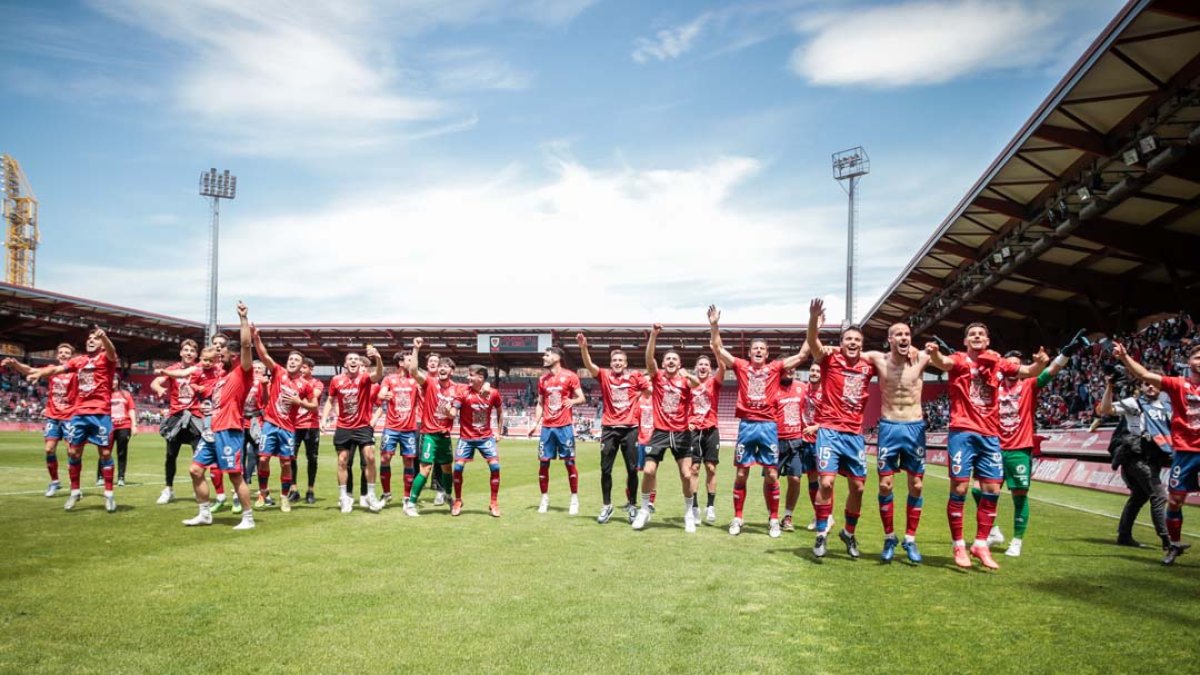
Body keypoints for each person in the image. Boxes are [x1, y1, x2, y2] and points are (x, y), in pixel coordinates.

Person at [925, 323, 1047, 569]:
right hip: (963, 432)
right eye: (972, 334)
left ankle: (980, 544)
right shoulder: (959, 360)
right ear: (966, 341)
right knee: (960, 488)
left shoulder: (999, 363)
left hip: (990, 435)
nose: (977, 336)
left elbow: (1029, 370)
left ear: (988, 340)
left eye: (981, 333)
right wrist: (935, 352)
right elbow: (943, 363)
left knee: (992, 489)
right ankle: (958, 544)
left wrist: (1041, 363)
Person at [707, 305, 810, 538]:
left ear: (767, 352)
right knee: (742, 474)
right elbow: (717, 347)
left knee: (772, 475)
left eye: (762, 348)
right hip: (747, 425)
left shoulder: (775, 368)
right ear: (750, 351)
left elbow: (803, 355)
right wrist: (714, 325)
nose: (759, 351)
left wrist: (813, 326)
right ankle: (738, 518)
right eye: (755, 348)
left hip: (768, 427)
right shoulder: (742, 366)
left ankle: (774, 519)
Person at [1111, 341, 1200, 565]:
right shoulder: (1178, 384)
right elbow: (1144, 374)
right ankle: (1174, 546)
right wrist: (1124, 357)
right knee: (1175, 501)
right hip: (1185, 452)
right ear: (1189, 362)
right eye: (1198, 357)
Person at [805, 299, 877, 558]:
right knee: (826, 482)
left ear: (862, 343)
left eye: (857, 340)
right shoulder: (830, 358)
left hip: (854, 435)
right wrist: (813, 319)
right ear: (842, 341)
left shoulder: (869, 365)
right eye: (848, 339)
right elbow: (813, 344)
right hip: (830, 431)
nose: (853, 343)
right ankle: (822, 533)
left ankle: (848, 532)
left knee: (858, 487)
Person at [992, 338, 1077, 557]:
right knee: (978, 490)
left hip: (1019, 449)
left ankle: (1017, 541)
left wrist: (1065, 353)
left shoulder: (1029, 385)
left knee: (1019, 495)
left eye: (1016, 364)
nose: (1012, 368)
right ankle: (993, 531)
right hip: (994, 447)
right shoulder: (994, 388)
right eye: (1008, 364)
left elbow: (1052, 370)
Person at [178, 302, 256, 529]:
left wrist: (242, 319)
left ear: (235, 355)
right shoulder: (220, 378)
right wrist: (207, 407)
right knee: (195, 470)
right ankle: (204, 513)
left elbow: (245, 344)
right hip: (211, 431)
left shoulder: (243, 373)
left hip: (230, 430)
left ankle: (248, 518)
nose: (220, 353)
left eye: (224, 351)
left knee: (234, 475)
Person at [25, 328, 119, 512]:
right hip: (79, 413)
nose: (91, 341)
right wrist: (40, 374)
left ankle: (109, 494)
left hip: (100, 413)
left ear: (100, 344)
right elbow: (58, 368)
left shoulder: (106, 359)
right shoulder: (79, 360)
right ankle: (74, 491)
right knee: (73, 453)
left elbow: (112, 351)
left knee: (105, 454)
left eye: (95, 339)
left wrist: (104, 337)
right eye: (89, 339)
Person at [860, 323, 930, 564]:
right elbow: (849, 352)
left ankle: (910, 539)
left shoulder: (921, 357)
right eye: (898, 334)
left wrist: (931, 348)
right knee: (885, 485)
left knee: (917, 486)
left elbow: (947, 361)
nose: (904, 338)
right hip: (889, 427)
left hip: (914, 427)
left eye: (907, 334)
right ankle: (889, 537)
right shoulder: (878, 359)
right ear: (889, 338)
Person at [631, 324, 700, 532]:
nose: (670, 361)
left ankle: (689, 513)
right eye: (667, 359)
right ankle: (644, 510)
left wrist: (689, 376)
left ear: (679, 364)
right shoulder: (657, 377)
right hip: (660, 432)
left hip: (681, 434)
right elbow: (648, 359)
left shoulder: (686, 381)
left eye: (674, 359)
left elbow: (697, 385)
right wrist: (653, 335)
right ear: (663, 363)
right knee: (649, 470)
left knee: (687, 475)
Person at [1097, 369, 1171, 550]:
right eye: (1147, 383)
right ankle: (1168, 541)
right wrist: (1110, 387)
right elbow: (1106, 409)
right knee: (1159, 495)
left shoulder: (1168, 405)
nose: (1151, 387)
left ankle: (1124, 535)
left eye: (1155, 383)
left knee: (1140, 496)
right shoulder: (1133, 403)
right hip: (1136, 456)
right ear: (1141, 386)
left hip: (1154, 457)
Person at [576, 332, 647, 524]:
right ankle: (607, 506)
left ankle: (632, 506)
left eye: (620, 360)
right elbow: (590, 366)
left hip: (630, 428)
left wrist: (641, 399)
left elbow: (650, 389)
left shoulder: (635, 377)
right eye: (614, 360)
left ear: (625, 363)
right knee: (605, 470)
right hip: (609, 429)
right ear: (611, 362)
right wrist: (584, 348)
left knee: (632, 470)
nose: (617, 363)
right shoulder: (605, 375)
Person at [251, 330, 318, 514]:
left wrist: (300, 403)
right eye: (290, 359)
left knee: (286, 464)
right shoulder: (278, 372)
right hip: (270, 423)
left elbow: (314, 406)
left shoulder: (305, 385)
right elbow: (264, 355)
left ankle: (284, 497)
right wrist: (256, 338)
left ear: (302, 365)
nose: (292, 361)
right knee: (263, 458)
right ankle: (263, 493)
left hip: (288, 428)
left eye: (296, 360)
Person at [2, 343, 76, 497]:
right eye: (61, 352)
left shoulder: (76, 371)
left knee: (72, 452)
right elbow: (31, 370)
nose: (63, 354)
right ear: (57, 356)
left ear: (71, 356)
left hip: (71, 417)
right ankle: (55, 482)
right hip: (53, 416)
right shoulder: (51, 370)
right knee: (49, 449)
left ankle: (74, 484)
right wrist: (15, 365)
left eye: (66, 353)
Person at [322, 348, 386, 514]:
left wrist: (378, 358)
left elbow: (378, 375)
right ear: (345, 363)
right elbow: (330, 400)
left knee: (370, 457)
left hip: (363, 426)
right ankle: (344, 497)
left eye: (356, 359)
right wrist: (324, 418)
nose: (353, 361)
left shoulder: (364, 378)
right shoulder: (336, 380)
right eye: (349, 359)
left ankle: (370, 495)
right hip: (343, 426)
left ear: (359, 364)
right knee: (342, 461)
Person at [402, 339, 460, 516]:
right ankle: (411, 503)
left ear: (451, 371)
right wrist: (415, 349)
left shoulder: (457, 388)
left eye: (446, 366)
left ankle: (448, 496)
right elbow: (413, 371)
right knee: (425, 469)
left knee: (447, 469)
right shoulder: (429, 383)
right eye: (440, 366)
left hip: (444, 436)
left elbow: (472, 391)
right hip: (429, 434)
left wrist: (454, 410)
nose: (442, 368)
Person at [527, 346, 585, 515]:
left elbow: (581, 397)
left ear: (557, 357)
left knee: (569, 463)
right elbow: (539, 403)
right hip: (547, 428)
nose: (544, 357)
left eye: (547, 355)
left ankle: (574, 498)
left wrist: (573, 402)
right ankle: (544, 498)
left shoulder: (570, 376)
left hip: (564, 427)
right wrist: (535, 423)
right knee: (543, 463)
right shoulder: (542, 380)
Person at [149, 339, 206, 505]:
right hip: (176, 417)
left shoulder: (200, 370)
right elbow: (155, 382)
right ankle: (168, 489)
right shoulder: (172, 369)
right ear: (181, 352)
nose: (189, 353)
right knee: (171, 455)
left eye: (192, 351)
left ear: (196, 354)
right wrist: (159, 389)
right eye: (186, 350)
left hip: (195, 418)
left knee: (199, 457)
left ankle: (199, 490)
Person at [450, 364, 504, 517]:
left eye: (471, 375)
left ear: (480, 377)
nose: (468, 377)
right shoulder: (463, 392)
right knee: (458, 468)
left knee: (495, 467)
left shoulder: (493, 393)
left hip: (485, 437)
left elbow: (500, 412)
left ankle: (493, 502)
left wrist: (499, 432)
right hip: (466, 438)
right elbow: (455, 408)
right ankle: (458, 500)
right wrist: (451, 411)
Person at [377, 351, 422, 503]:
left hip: (409, 429)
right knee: (385, 458)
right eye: (410, 360)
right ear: (401, 363)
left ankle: (406, 496)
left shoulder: (415, 380)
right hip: (391, 427)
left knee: (408, 462)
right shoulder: (389, 379)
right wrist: (384, 395)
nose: (413, 362)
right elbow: (381, 394)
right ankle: (386, 493)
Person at [689, 353, 726, 525]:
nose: (703, 367)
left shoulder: (714, 383)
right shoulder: (688, 384)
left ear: (710, 369)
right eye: (700, 364)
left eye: (706, 365)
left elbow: (723, 368)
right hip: (693, 430)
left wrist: (717, 351)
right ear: (696, 368)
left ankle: (710, 506)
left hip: (711, 430)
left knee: (711, 468)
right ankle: (694, 507)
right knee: (694, 468)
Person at [293, 358, 323, 504]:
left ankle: (310, 490)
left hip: (311, 425)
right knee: (290, 457)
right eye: (300, 367)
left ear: (311, 369)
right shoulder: (291, 382)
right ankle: (293, 489)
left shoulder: (317, 383)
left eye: (304, 367)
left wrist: (297, 398)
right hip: (293, 425)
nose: (301, 370)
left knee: (312, 458)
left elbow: (314, 397)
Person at [104, 375, 135, 487]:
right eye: (111, 379)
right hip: (108, 426)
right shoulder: (105, 394)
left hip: (124, 426)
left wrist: (134, 425)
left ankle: (121, 477)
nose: (113, 381)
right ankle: (100, 477)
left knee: (122, 452)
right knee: (105, 452)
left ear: (118, 381)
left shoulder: (126, 394)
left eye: (115, 379)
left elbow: (131, 409)